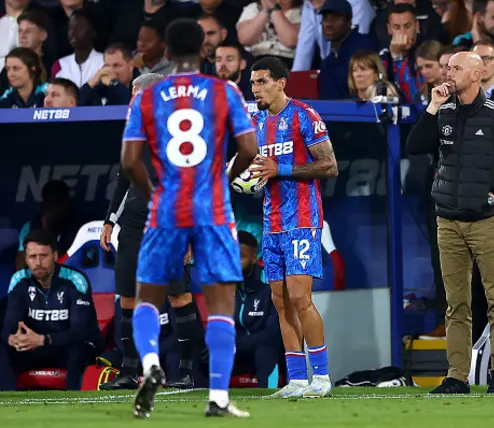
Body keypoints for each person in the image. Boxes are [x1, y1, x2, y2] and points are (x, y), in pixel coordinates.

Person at [120, 18, 258, 418]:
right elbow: (248, 148)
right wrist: (224, 180)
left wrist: (156, 195)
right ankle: (217, 397)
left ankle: (149, 365)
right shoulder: (224, 91)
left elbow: (130, 162)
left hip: (166, 208)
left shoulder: (145, 97)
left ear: (165, 52)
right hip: (212, 208)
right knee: (220, 303)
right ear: (204, 51)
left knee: (147, 298)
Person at [406, 51, 494, 394]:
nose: (448, 73)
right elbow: (414, 146)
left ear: (476, 75)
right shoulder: (441, 112)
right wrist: (431, 107)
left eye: (456, 68)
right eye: (447, 67)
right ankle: (457, 376)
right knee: (456, 303)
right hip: (448, 221)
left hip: (487, 222)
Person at [100, 73, 201, 391]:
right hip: (132, 224)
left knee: (178, 294)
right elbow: (123, 178)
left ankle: (186, 371)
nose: (131, 98)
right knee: (128, 297)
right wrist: (109, 221)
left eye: (136, 92)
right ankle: (130, 371)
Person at [249, 56, 338, 398]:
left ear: (281, 83)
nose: (255, 88)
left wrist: (280, 169)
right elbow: (258, 167)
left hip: (302, 220)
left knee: (301, 297)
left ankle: (322, 377)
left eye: (261, 81)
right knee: (280, 300)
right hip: (271, 221)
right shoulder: (255, 122)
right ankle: (298, 378)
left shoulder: (304, 115)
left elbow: (329, 165)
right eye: (253, 82)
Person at [0, 229, 102, 391]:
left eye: (43, 256)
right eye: (33, 257)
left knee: (79, 348)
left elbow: (81, 331)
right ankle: (8, 403)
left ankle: (73, 404)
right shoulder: (20, 280)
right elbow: (9, 325)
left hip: (66, 349)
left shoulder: (75, 280)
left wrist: (43, 339)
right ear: (26, 259)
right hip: (34, 350)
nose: (38, 262)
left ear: (55, 256)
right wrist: (14, 339)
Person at [231, 231, 283, 388]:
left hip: (265, 348)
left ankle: (268, 398)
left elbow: (272, 333)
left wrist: (238, 345)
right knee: (205, 356)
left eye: (240, 257)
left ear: (254, 258)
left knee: (265, 352)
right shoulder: (226, 284)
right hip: (239, 350)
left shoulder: (270, 283)